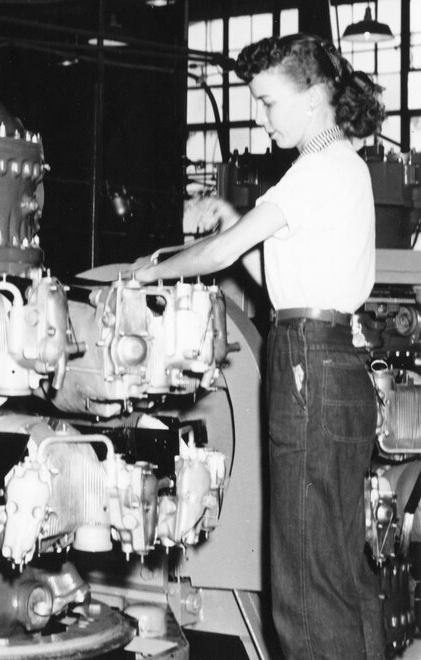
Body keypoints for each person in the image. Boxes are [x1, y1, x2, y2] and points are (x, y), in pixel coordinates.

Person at [131, 33, 385, 660]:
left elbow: (221, 254)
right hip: (334, 357)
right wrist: (232, 221)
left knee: (303, 586)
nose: (263, 119)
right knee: (342, 572)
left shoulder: (315, 169)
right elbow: (282, 285)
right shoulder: (346, 167)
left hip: (307, 365)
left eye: (269, 103)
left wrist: (150, 272)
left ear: (313, 97)